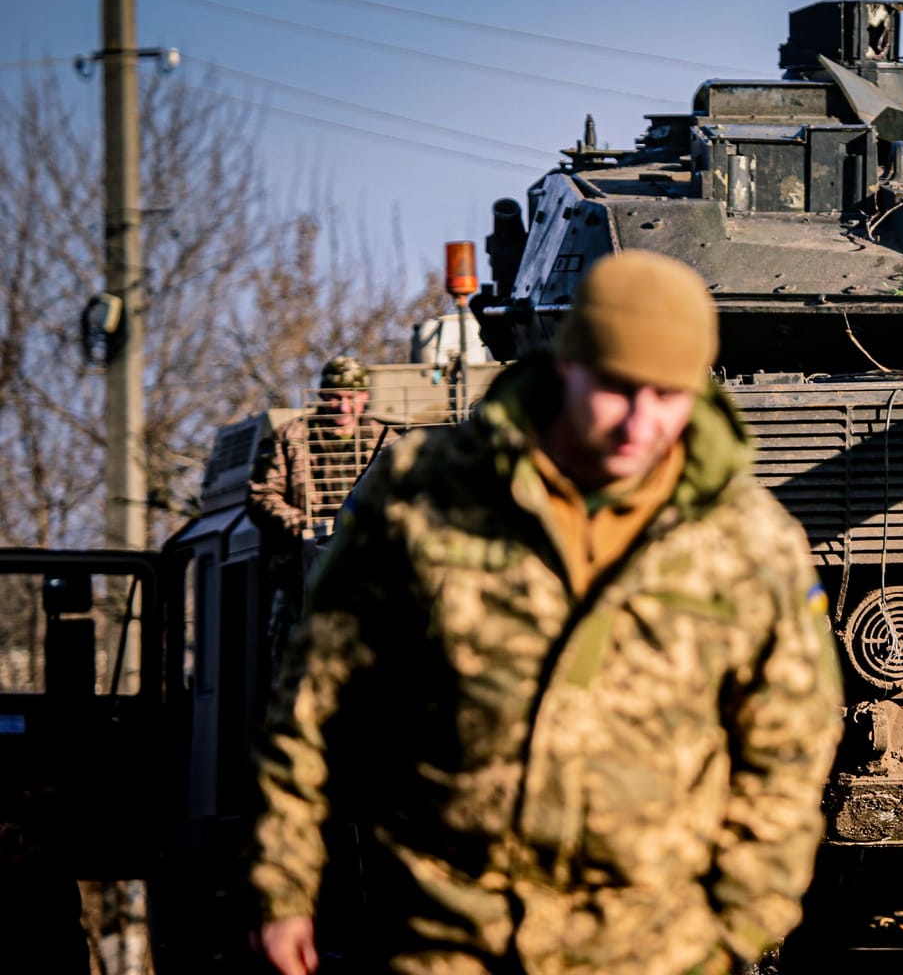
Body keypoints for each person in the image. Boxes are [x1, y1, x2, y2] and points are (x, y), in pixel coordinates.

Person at [250, 250, 843, 975]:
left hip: (655, 948)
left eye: (668, 395)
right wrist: (284, 888)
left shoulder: (748, 540)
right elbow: (313, 702)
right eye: (617, 389)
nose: (639, 423)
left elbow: (791, 740)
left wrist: (744, 919)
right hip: (447, 937)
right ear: (567, 366)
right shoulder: (426, 496)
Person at [247, 355, 395, 665]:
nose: (342, 407)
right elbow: (261, 496)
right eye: (334, 397)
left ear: (364, 398)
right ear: (322, 395)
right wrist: (304, 525)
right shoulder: (292, 438)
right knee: (291, 657)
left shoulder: (385, 441)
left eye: (351, 398)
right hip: (300, 575)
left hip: (369, 572)